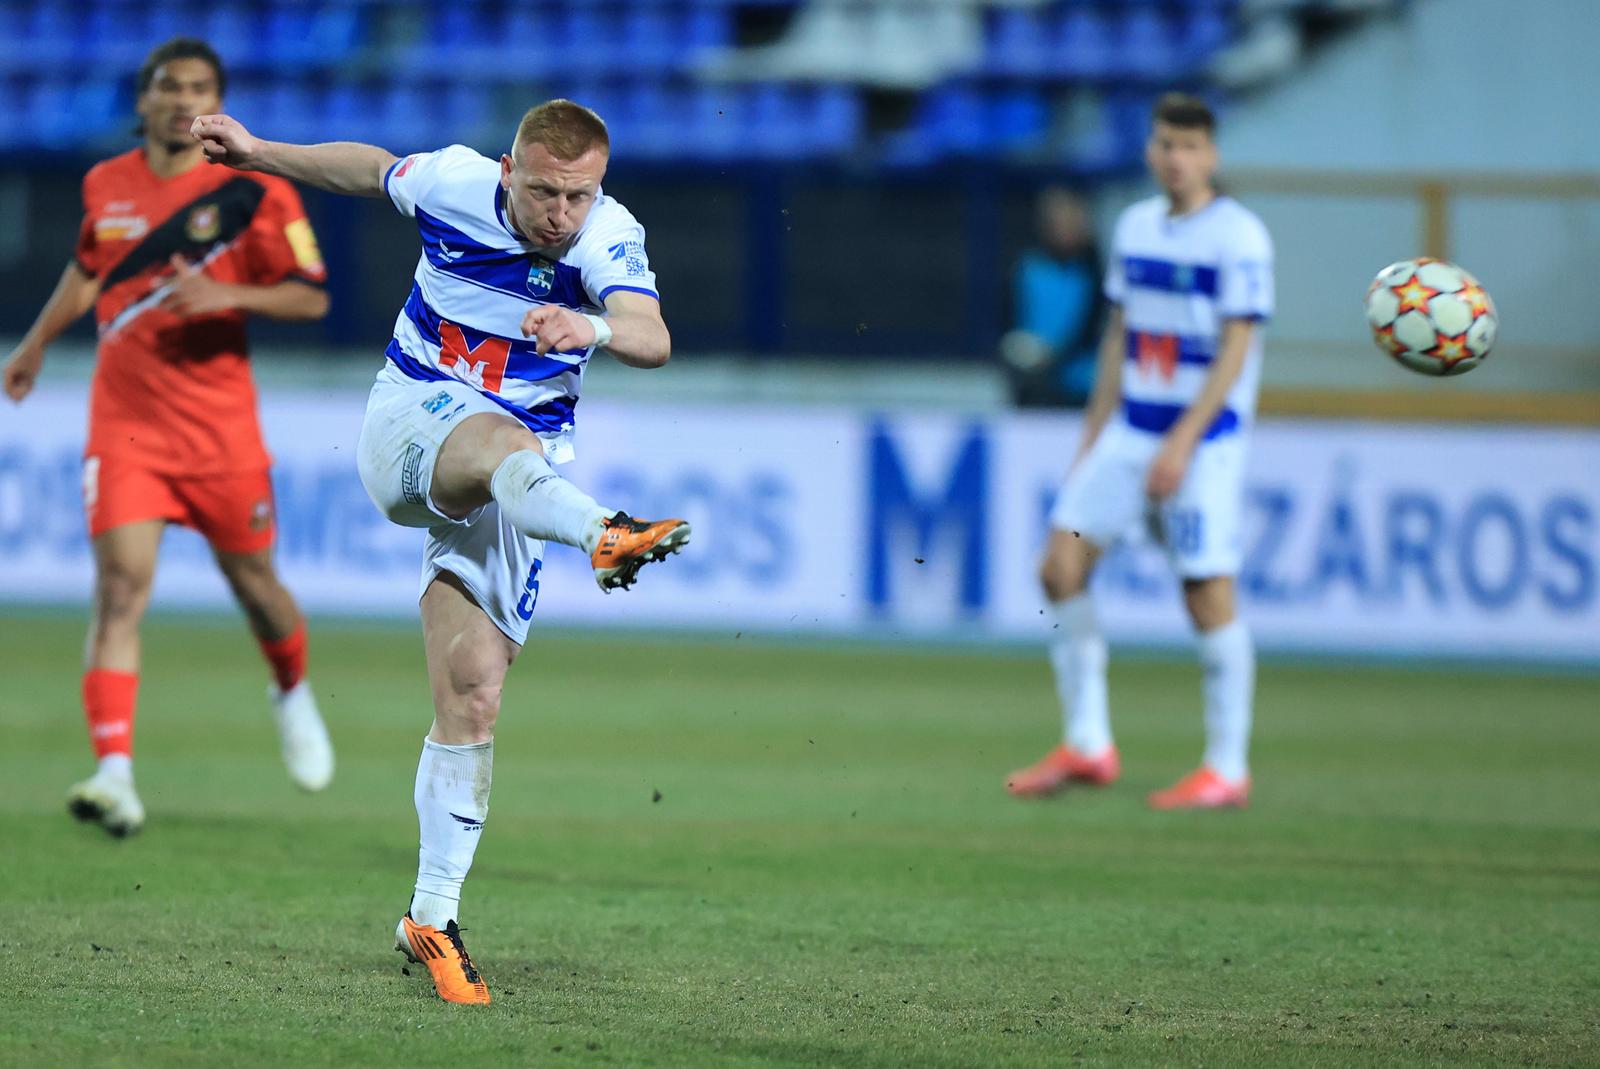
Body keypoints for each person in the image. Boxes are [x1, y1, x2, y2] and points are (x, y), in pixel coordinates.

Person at [189, 98, 691, 1005]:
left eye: (579, 196)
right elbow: (369, 167)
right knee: (505, 440)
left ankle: (432, 915)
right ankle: (603, 535)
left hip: (512, 487)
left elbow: (653, 336)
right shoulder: (456, 184)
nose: (560, 215)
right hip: (410, 425)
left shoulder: (606, 236)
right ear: (508, 170)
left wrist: (597, 329)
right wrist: (260, 151)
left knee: (474, 692)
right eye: (544, 192)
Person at [1, 38, 336, 839]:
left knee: (257, 585)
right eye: (169, 85)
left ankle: (290, 688)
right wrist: (38, 340)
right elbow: (90, 269)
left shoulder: (256, 191)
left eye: (199, 87)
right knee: (120, 588)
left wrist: (225, 292)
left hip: (219, 430)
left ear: (217, 102)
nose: (183, 99)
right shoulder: (104, 183)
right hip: (125, 424)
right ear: (145, 100)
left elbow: (311, 299)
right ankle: (115, 774)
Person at [1006, 94, 1273, 810]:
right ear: (1151, 153)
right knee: (1059, 566)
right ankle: (1089, 743)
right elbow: (1119, 338)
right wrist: (1090, 443)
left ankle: (1226, 766)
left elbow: (1236, 350)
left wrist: (1183, 442)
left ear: (1210, 155)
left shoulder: (1239, 237)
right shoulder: (1134, 227)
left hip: (1204, 438)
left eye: (1188, 146)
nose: (1175, 158)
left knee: (1205, 592)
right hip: (1131, 428)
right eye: (1163, 144)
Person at [998, 187, 1105, 408]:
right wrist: (1023, 354)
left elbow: (1089, 329)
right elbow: (1009, 319)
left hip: (1079, 385)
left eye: (1073, 219)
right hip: (1030, 381)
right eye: (1058, 219)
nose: (1066, 226)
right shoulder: (1027, 268)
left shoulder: (1094, 273)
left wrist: (1053, 358)